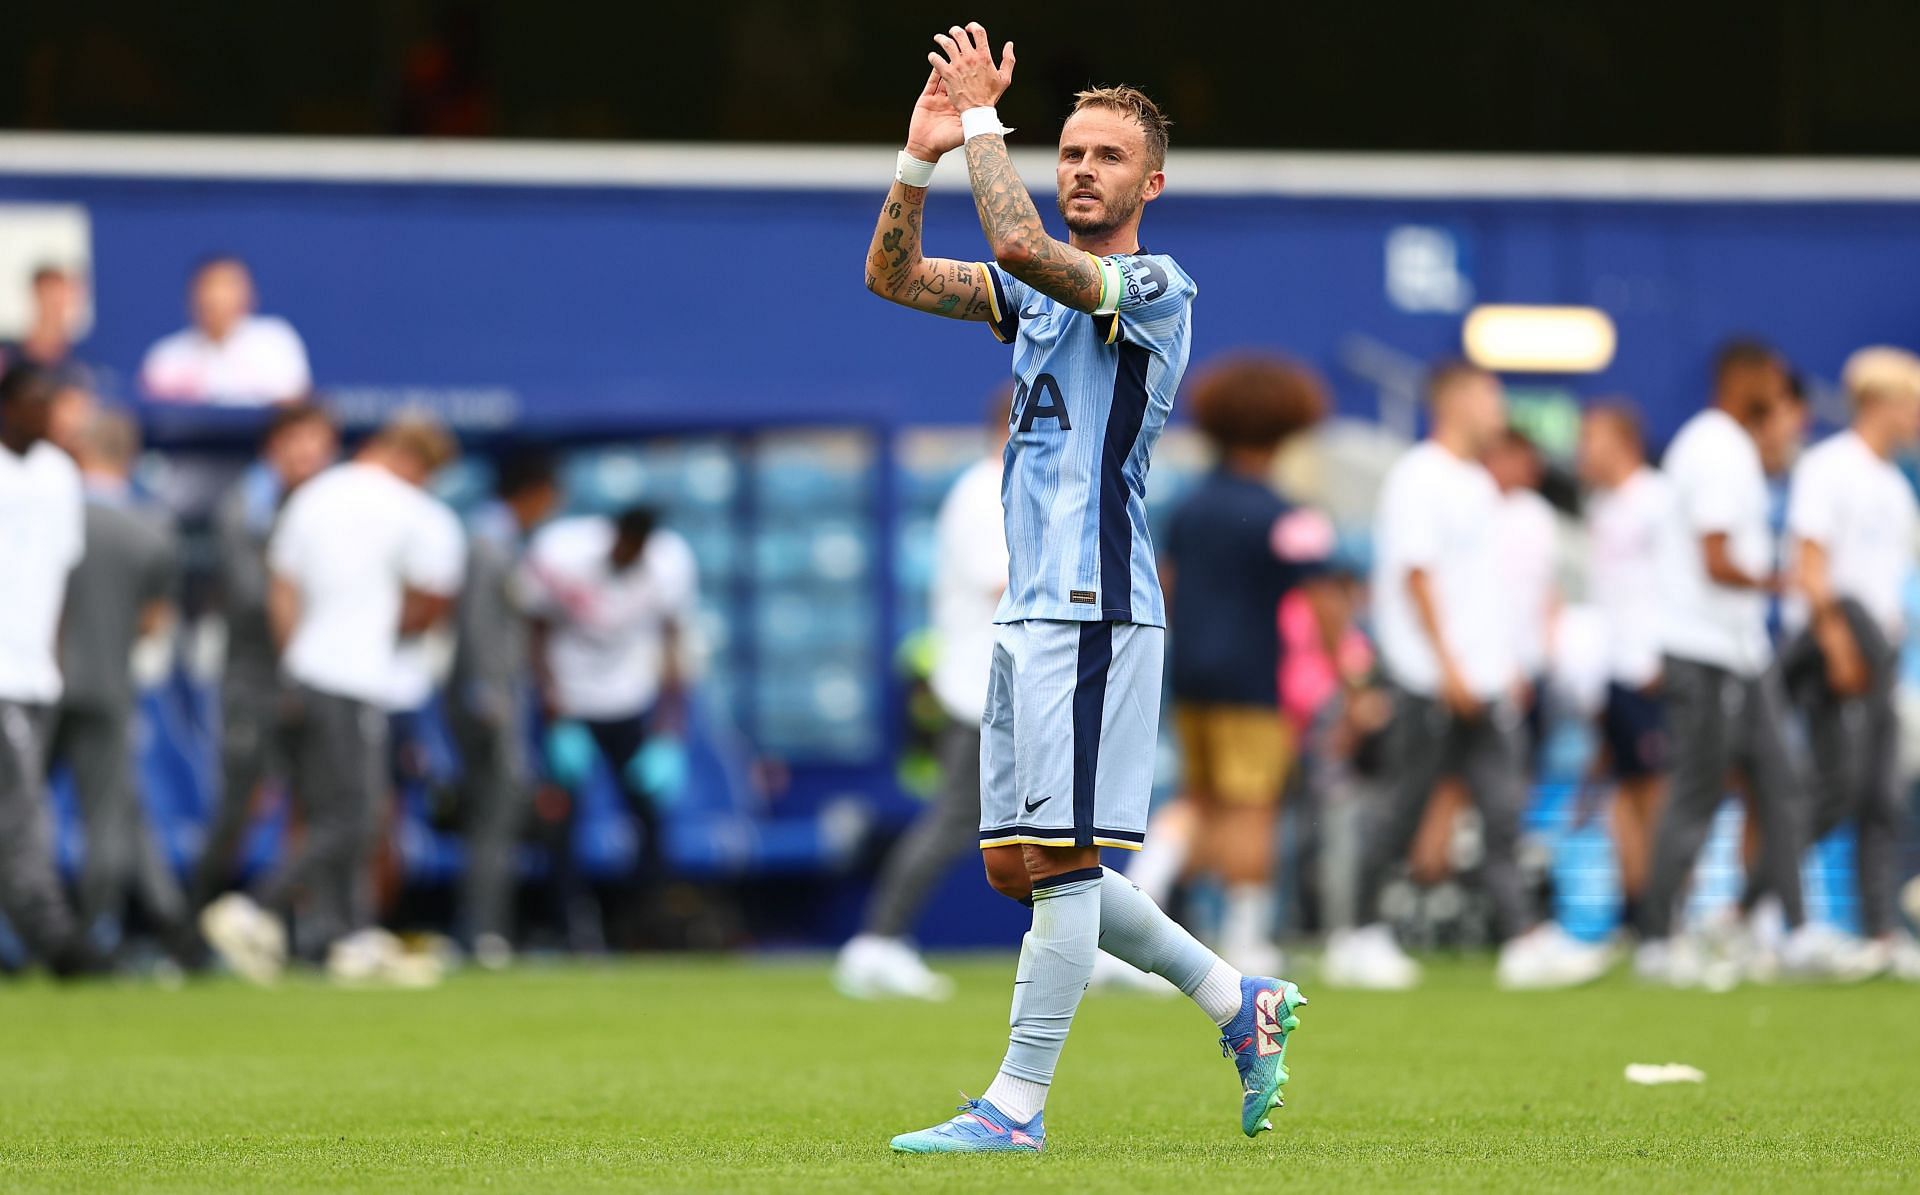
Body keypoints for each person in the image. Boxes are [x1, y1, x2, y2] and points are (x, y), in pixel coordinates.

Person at [868, 25, 1302, 1154]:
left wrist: (977, 123)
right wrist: (919, 155)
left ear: (1150, 183)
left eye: (1105, 156)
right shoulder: (1040, 297)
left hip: (1095, 603)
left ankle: (1014, 1108)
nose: (1079, 170)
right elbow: (894, 275)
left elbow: (1014, 239)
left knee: (1062, 867)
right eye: (1068, 151)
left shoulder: (1152, 284)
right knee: (1023, 866)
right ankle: (1234, 997)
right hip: (1030, 613)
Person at [1329, 361, 1605, 992]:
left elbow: (1482, 591)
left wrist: (1500, 665)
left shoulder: (1479, 485)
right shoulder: (1419, 477)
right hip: (1429, 678)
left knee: (1504, 810)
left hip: (1480, 680)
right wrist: (1449, 666)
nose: (1499, 413)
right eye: (1489, 399)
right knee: (1403, 806)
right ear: (1453, 404)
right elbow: (1417, 577)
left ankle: (1523, 940)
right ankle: (1360, 935)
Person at [199, 412, 463, 986]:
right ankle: (256, 907)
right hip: (356, 681)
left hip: (303, 674)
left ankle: (349, 936)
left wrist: (297, 660)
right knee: (357, 815)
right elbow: (434, 601)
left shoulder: (313, 496)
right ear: (416, 464)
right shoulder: (415, 511)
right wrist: (391, 630)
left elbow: (282, 590)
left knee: (322, 811)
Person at [1638, 340, 1832, 984]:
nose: (1780, 395)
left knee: (1783, 786)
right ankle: (1659, 940)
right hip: (1705, 650)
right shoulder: (1717, 446)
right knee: (1697, 792)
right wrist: (1781, 583)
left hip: (1743, 653)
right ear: (1742, 378)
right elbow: (1715, 557)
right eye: (1772, 381)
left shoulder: (1731, 448)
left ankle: (1793, 930)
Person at [1163, 355, 1336, 976]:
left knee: (1199, 798)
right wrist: (1346, 673)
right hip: (1253, 680)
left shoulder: (1189, 506)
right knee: (1253, 806)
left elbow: (1168, 587)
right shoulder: (1285, 514)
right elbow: (1324, 602)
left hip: (1190, 675)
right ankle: (1244, 941)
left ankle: (1132, 915)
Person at [837, 391, 1012, 1001]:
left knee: (1043, 819)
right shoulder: (986, 492)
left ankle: (1088, 946)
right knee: (956, 818)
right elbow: (1006, 583)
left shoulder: (1003, 487)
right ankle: (877, 943)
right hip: (983, 685)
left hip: (1006, 684)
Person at [1779, 347, 1920, 978]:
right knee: (1832, 791)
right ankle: (1762, 915)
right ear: (1880, 403)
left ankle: (1880, 932)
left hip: (1883, 658)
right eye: (1912, 403)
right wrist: (1837, 645)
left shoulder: (1895, 484)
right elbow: (1810, 563)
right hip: (1833, 651)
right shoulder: (1829, 467)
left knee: (1881, 796)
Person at [48, 407, 199, 965]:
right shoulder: (152, 530)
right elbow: (153, 620)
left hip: (37, 685)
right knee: (105, 818)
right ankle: (95, 934)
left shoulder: (47, 514)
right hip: (110, 686)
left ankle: (36, 935)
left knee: (17, 816)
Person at [519, 504, 699, 948]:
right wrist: (555, 716)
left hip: (630, 703)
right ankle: (570, 929)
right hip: (570, 706)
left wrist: (668, 733)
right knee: (561, 824)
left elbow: (674, 644)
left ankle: (648, 928)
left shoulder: (670, 565)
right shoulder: (562, 553)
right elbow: (535, 635)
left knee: (649, 819)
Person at [192, 403, 340, 909]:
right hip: (253, 680)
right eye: (295, 441)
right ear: (272, 448)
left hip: (319, 681)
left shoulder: (334, 510)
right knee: (240, 805)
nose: (306, 454)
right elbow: (253, 596)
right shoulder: (246, 507)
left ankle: (306, 930)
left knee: (321, 807)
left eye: (315, 442)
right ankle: (195, 925)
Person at [0, 364, 98, 976]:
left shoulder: (60, 474)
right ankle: (55, 940)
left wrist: (55, 659)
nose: (47, 413)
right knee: (23, 810)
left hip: (34, 674)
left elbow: (61, 576)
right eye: (36, 401)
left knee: (22, 807)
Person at [448, 451, 563, 969]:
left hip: (499, 696)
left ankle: (485, 927)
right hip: (489, 701)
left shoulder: (503, 542)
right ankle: (484, 932)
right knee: (495, 815)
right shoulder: (487, 543)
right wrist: (486, 694)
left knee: (497, 815)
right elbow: (475, 625)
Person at [1574, 402, 1671, 934]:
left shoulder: (1658, 501)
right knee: (1624, 792)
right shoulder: (1604, 509)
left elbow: (1674, 585)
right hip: (1614, 671)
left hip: (1648, 667)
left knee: (1656, 792)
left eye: (1592, 435)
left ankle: (1663, 908)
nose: (1582, 449)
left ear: (1625, 441)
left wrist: (1661, 653)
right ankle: (1633, 908)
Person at [139, 256, 311, 406]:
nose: (217, 296)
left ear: (250, 294)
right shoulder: (165, 355)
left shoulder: (276, 340)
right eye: (209, 285)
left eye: (228, 285)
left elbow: (294, 406)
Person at [1484, 428, 1559, 759]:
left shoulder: (1538, 514)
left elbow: (1548, 588)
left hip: (1530, 667)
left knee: (1525, 767)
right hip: (1485, 668)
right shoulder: (1473, 505)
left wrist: (1544, 657)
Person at [0, 265, 92, 389]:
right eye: (49, 298)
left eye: (62, 300)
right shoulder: (8, 358)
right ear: (36, 296)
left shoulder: (82, 365)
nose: (55, 309)